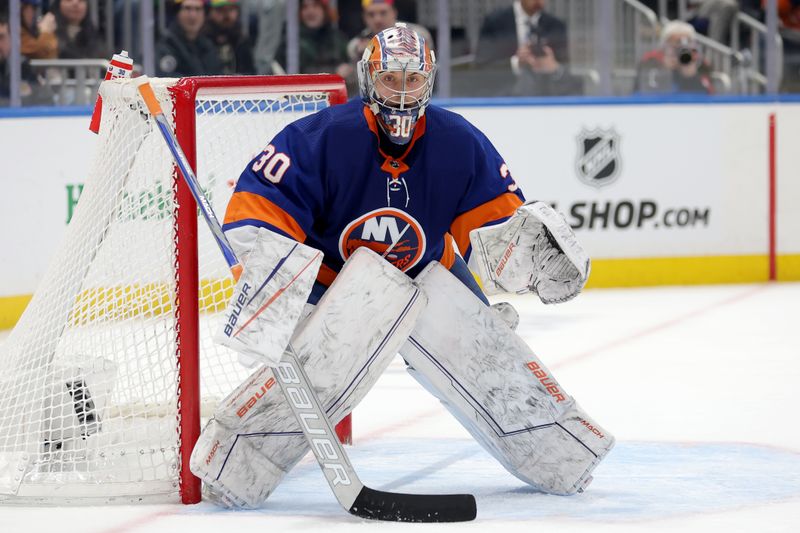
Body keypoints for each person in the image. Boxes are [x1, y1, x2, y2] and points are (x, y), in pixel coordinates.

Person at [189, 23, 613, 509]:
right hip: (331, 290)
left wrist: (527, 257)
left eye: (413, 81)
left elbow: (496, 228)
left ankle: (561, 456)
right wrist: (269, 299)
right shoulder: (322, 138)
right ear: (371, 79)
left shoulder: (459, 141)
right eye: (392, 79)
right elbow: (260, 213)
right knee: (319, 369)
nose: (403, 91)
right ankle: (234, 466)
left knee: (486, 350)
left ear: (429, 82)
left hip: (428, 273)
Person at [476, 0, 582, 96]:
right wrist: (516, 63)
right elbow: (481, 66)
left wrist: (554, 68)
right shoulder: (495, 22)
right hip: (503, 99)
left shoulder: (556, 26)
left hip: (545, 98)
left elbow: (567, 73)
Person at [634, 20, 714, 94]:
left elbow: (710, 95)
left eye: (687, 43)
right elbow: (645, 92)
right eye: (676, 44)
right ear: (664, 44)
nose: (681, 49)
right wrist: (664, 71)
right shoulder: (651, 60)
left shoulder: (700, 63)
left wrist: (692, 76)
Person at [275, 0, 351, 78]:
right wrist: (334, 73)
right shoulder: (289, 42)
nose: (310, 11)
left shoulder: (337, 39)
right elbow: (296, 74)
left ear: (324, 10)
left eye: (315, 6)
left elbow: (351, 68)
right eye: (305, 7)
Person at [346, 0, 432, 63]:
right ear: (364, 17)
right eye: (371, 15)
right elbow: (352, 49)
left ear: (394, 13)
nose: (377, 20)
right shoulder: (360, 40)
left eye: (383, 13)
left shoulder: (416, 32)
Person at [157, 0, 223, 76]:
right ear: (177, 13)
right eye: (187, 8)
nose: (193, 15)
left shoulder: (208, 46)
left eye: (198, 9)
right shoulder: (166, 45)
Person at [204, 0, 256, 75]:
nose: (226, 14)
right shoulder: (202, 40)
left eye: (230, 9)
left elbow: (251, 71)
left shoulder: (241, 40)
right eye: (220, 10)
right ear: (209, 12)